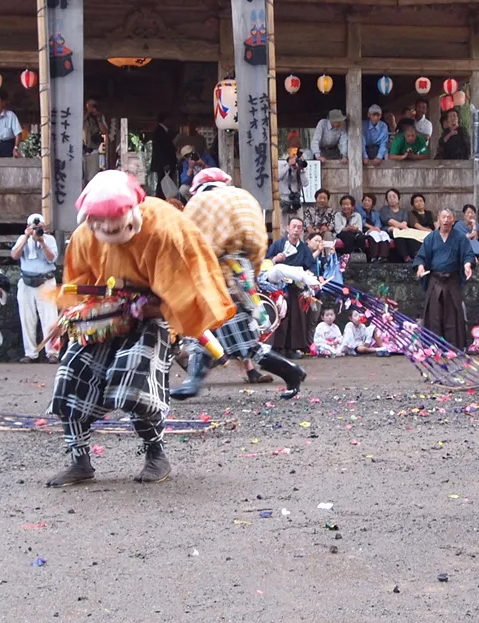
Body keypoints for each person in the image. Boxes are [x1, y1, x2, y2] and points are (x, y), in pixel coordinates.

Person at [45, 171, 235, 486]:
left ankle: (155, 453)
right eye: (99, 224)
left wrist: (145, 306)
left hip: (152, 314)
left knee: (135, 382)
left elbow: (182, 290)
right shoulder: (84, 234)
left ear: (134, 215)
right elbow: (77, 285)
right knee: (71, 376)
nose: (106, 229)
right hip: (103, 313)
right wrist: (70, 317)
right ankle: (79, 459)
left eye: (116, 225)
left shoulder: (164, 229)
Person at [174, 167, 307, 396]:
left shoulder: (200, 203)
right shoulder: (244, 201)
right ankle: (193, 382)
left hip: (219, 272)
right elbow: (257, 243)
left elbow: (187, 240)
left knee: (236, 338)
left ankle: (291, 371)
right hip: (239, 268)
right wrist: (250, 269)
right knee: (205, 331)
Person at [414, 209, 473, 349]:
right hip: (435, 279)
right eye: (443, 217)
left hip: (452, 279)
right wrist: (420, 267)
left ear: (453, 221)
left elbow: (467, 255)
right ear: (438, 219)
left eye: (449, 217)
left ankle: (453, 346)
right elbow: (421, 257)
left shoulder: (460, 238)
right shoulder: (431, 238)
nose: (446, 220)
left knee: (452, 314)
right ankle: (433, 345)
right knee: (434, 314)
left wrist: (467, 266)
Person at [266, 216, 319, 358]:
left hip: (297, 287)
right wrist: (275, 259)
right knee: (280, 315)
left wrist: (310, 273)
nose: (296, 230)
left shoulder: (304, 249)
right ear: (288, 228)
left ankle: (293, 348)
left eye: (299, 227)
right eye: (294, 226)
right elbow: (265, 263)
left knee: (296, 317)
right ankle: (276, 348)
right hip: (278, 287)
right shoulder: (277, 245)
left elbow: (312, 265)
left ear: (302, 231)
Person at [13, 213, 61, 363]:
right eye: (35, 227)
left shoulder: (50, 239)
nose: (38, 229)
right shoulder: (23, 238)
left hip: (45, 280)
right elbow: (15, 255)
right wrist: (26, 238)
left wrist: (42, 241)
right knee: (27, 318)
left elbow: (52, 258)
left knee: (50, 318)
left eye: (40, 227)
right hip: (26, 281)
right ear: (28, 227)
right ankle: (30, 353)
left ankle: (52, 352)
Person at [148, 113, 179, 199]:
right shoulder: (159, 132)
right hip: (163, 163)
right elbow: (160, 150)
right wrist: (165, 163)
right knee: (163, 182)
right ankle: (160, 198)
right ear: (165, 120)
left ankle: (164, 198)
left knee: (165, 182)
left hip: (166, 163)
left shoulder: (164, 131)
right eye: (169, 120)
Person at [82, 98, 108, 176]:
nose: (92, 107)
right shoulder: (81, 115)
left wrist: (98, 118)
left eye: (94, 105)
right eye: (90, 105)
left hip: (93, 150)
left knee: (92, 176)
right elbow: (78, 125)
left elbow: (105, 132)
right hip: (81, 149)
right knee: (81, 177)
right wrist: (87, 113)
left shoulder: (99, 116)